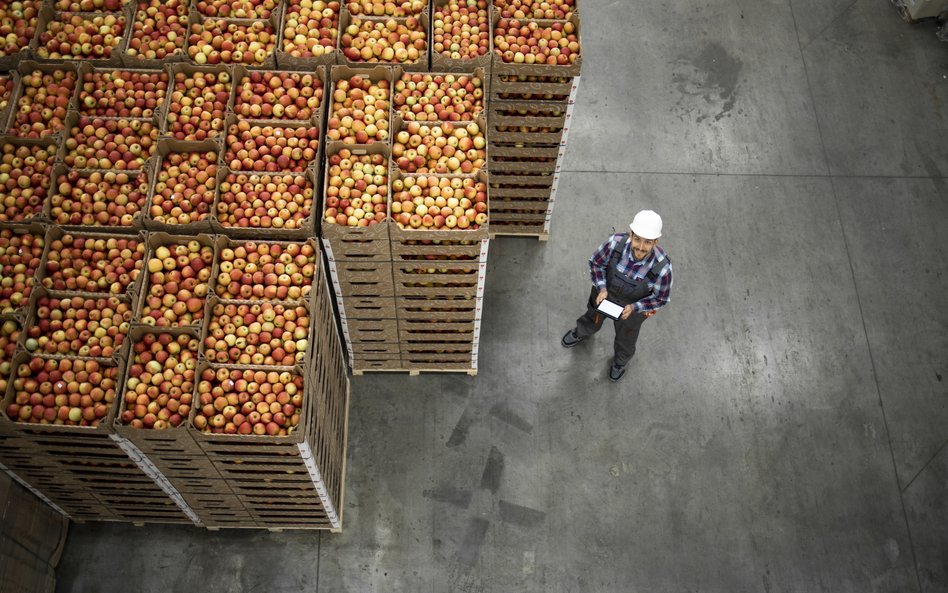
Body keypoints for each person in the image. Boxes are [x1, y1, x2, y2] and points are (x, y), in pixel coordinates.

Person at [561, 210, 674, 382]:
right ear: (631, 234)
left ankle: (620, 361)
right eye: (637, 239)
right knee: (593, 317)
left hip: (631, 309)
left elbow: (660, 298)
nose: (641, 247)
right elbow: (596, 264)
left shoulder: (662, 268)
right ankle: (582, 331)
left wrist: (635, 307)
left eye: (648, 242)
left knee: (626, 336)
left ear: (656, 242)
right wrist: (602, 288)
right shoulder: (614, 244)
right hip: (605, 296)